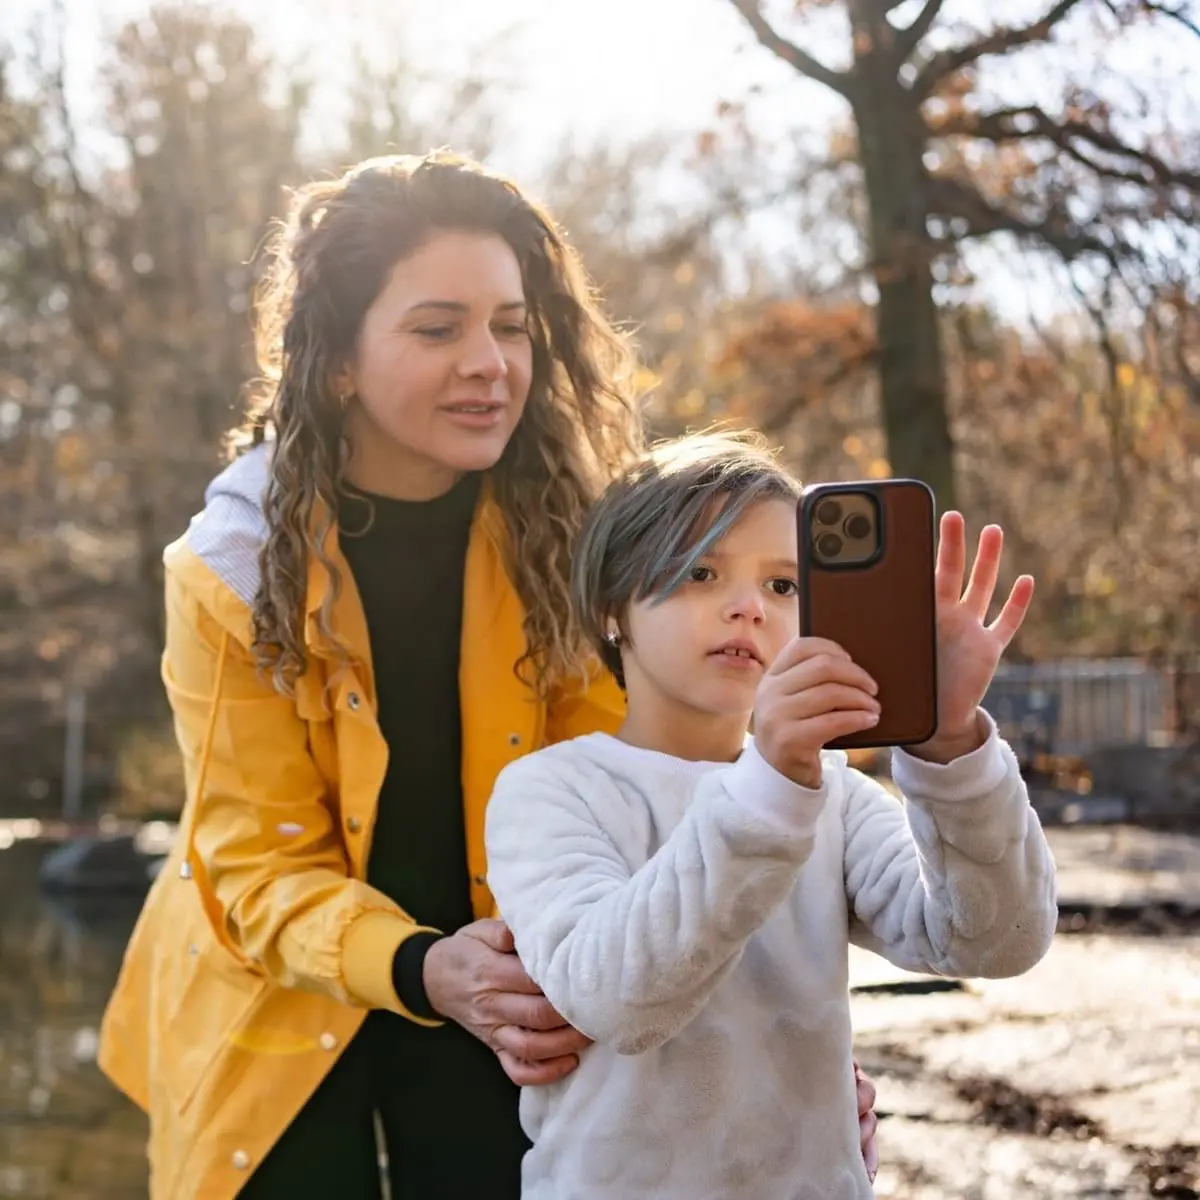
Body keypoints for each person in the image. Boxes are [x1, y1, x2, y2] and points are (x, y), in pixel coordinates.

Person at [96, 152, 881, 1199]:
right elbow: (253, 870)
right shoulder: (225, 571)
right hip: (278, 994)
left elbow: (671, 804)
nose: (491, 362)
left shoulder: (583, 538)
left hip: (524, 974)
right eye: (439, 328)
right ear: (336, 360)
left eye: (510, 325)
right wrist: (424, 965)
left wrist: (788, 1051)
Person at [485, 432, 1059, 1199]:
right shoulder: (552, 790)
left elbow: (994, 940)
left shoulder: (834, 796)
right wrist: (772, 785)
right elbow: (613, 998)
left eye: (785, 586)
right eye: (700, 572)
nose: (748, 607)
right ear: (611, 607)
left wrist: (950, 746)